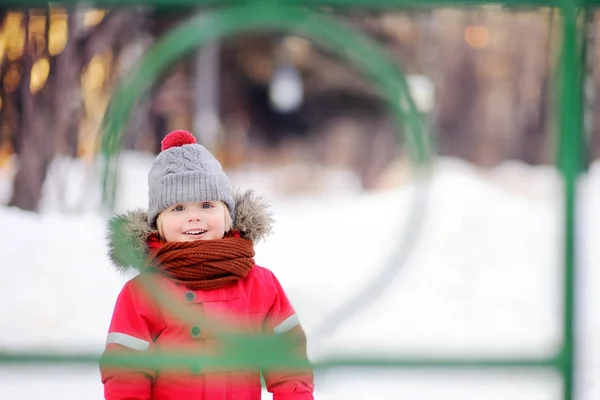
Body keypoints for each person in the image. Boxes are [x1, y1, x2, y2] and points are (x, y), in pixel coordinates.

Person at [100, 130, 314, 399]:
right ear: (158, 224)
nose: (193, 217)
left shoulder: (260, 284)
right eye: (178, 208)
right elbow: (125, 374)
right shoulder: (143, 293)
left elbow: (289, 363)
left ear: (227, 215)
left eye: (206, 205)